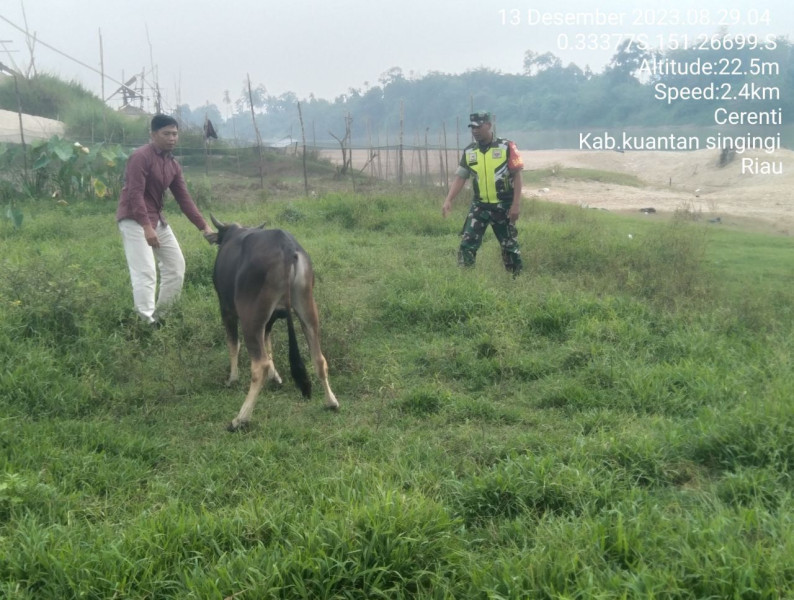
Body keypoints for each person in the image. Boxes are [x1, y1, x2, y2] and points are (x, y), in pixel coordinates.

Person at [116, 113, 214, 326]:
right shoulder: (140, 157)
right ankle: (145, 322)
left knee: (176, 266)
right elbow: (135, 194)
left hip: (157, 219)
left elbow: (184, 199)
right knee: (145, 271)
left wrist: (204, 226)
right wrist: (146, 227)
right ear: (153, 134)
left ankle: (163, 317)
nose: (172, 138)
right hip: (134, 220)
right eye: (166, 133)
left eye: (175, 134)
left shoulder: (173, 165)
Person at [442, 111, 524, 275]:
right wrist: (448, 199)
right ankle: (466, 279)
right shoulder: (470, 152)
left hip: (503, 205)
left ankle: (516, 279)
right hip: (479, 206)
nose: (475, 131)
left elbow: (517, 176)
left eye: (478, 127)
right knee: (467, 243)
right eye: (472, 127)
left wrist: (515, 205)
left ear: (488, 125)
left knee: (509, 247)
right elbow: (461, 177)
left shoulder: (506, 147)